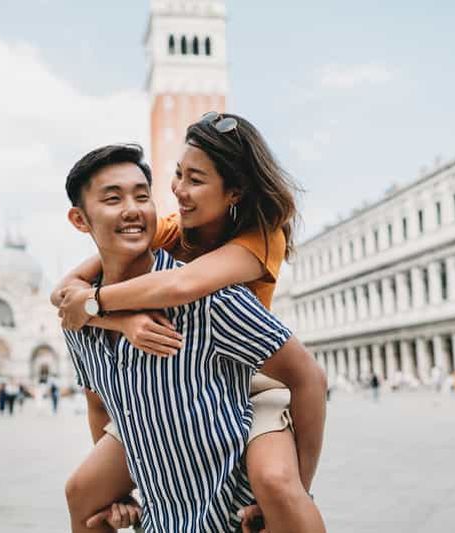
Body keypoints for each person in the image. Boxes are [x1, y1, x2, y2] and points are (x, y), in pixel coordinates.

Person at [55, 114, 325, 531]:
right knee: (82, 493)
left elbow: (182, 286)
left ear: (234, 191)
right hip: (171, 382)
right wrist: (115, 321)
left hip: (255, 376)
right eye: (178, 175)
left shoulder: (260, 238)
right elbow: (70, 291)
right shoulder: (168, 226)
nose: (179, 190)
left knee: (276, 482)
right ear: (80, 219)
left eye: (195, 180)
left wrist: (95, 304)